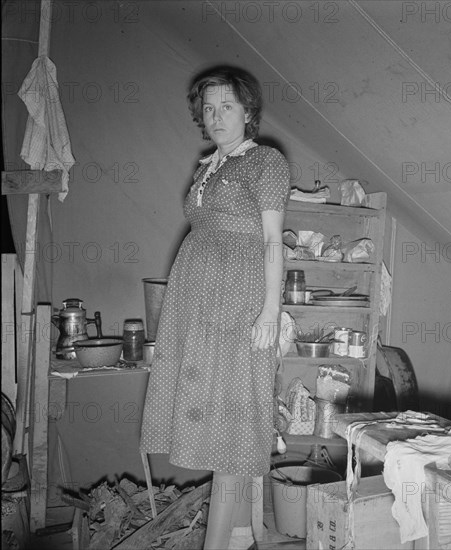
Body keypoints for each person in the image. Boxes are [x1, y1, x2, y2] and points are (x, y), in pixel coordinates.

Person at [140, 65, 290, 549]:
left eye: (227, 106)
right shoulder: (210, 165)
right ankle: (243, 535)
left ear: (248, 112)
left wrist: (270, 311)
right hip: (198, 301)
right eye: (208, 108)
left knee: (234, 427)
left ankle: (222, 541)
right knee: (211, 417)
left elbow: (272, 242)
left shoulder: (265, 162)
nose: (216, 116)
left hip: (238, 298)